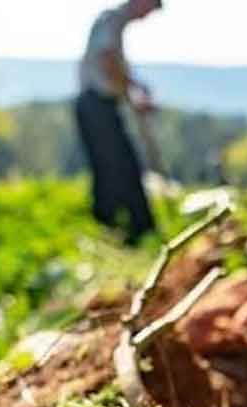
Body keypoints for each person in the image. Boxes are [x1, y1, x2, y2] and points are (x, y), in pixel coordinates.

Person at [76, 0, 162, 243]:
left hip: (101, 105)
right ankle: (131, 229)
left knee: (113, 167)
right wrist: (131, 94)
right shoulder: (111, 20)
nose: (146, 17)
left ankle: (120, 227)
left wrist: (135, 87)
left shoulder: (116, 24)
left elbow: (115, 64)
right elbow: (108, 60)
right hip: (96, 106)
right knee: (117, 167)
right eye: (149, 9)